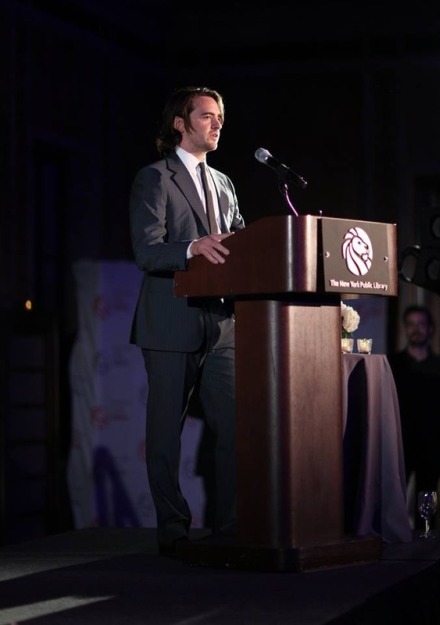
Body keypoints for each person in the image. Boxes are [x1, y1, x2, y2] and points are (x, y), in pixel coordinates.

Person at [128, 86, 245, 557]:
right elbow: (146, 250)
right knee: (165, 432)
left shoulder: (224, 182)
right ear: (181, 122)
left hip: (222, 323)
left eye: (220, 117)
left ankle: (232, 526)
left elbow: (239, 243)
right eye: (207, 116)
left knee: (235, 427)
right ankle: (173, 528)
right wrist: (192, 248)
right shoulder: (154, 178)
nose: (216, 125)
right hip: (171, 320)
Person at [388, 305, 440, 506]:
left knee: (427, 501)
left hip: (432, 445)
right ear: (405, 328)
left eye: (421, 324)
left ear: (430, 328)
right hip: (400, 443)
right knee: (394, 499)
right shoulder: (394, 364)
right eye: (411, 325)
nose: (416, 329)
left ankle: (427, 536)